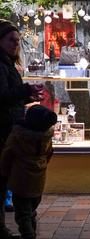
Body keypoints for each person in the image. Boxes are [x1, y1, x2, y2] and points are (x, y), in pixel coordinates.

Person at [0, 19, 44, 239]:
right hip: (2, 128)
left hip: (8, 126)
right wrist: (25, 90)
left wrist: (27, 94)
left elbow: (11, 93)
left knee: (3, 180)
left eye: (18, 41)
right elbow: (2, 96)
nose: (15, 44)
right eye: (11, 40)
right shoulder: (0, 64)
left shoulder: (6, 62)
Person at [1, 105, 57, 239]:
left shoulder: (18, 136)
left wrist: (5, 173)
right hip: (38, 181)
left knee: (23, 212)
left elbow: (6, 156)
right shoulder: (46, 137)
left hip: (20, 180)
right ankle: (32, 232)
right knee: (31, 210)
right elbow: (49, 154)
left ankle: (28, 235)